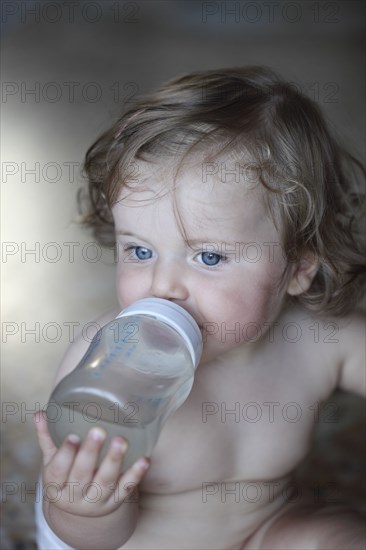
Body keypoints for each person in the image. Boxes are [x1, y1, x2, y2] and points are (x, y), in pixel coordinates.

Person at [34, 66, 365, 549]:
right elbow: (87, 538)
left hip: (264, 529)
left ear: (298, 268)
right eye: (140, 251)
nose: (163, 285)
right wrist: (83, 507)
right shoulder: (109, 371)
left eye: (209, 256)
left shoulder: (316, 339)